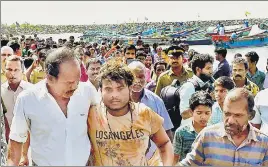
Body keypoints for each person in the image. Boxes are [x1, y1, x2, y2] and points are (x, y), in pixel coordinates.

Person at [7, 47, 98, 166]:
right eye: (69, 82)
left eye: (78, 80)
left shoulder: (87, 91)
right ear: (50, 78)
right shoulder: (27, 99)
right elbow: (16, 141)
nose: (75, 86)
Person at [87, 60, 174, 166]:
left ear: (130, 88)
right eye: (108, 89)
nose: (115, 95)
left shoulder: (144, 114)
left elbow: (164, 143)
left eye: (120, 89)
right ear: (101, 91)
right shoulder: (91, 115)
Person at [179, 88, 268, 166]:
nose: (230, 121)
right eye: (227, 114)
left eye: (238, 115)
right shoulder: (207, 136)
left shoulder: (264, 143)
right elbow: (189, 164)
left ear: (251, 116)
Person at [128, 61, 174, 165]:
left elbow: (167, 132)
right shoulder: (118, 100)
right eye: (133, 77)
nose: (137, 81)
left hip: (152, 160)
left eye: (141, 77)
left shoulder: (156, 101)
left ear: (146, 77)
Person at [173, 91, 213, 165]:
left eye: (207, 113)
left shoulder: (213, 132)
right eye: (199, 113)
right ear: (191, 112)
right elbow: (175, 157)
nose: (203, 117)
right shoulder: (181, 132)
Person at [179, 53, 214, 126]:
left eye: (211, 68)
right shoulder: (189, 86)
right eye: (208, 68)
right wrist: (205, 101)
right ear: (198, 69)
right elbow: (184, 114)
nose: (211, 71)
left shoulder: (210, 84)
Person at [1, 55, 33, 127]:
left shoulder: (32, 91)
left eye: (16, 70)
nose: (12, 73)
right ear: (4, 70)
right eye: (9, 69)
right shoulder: (1, 91)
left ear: (22, 71)